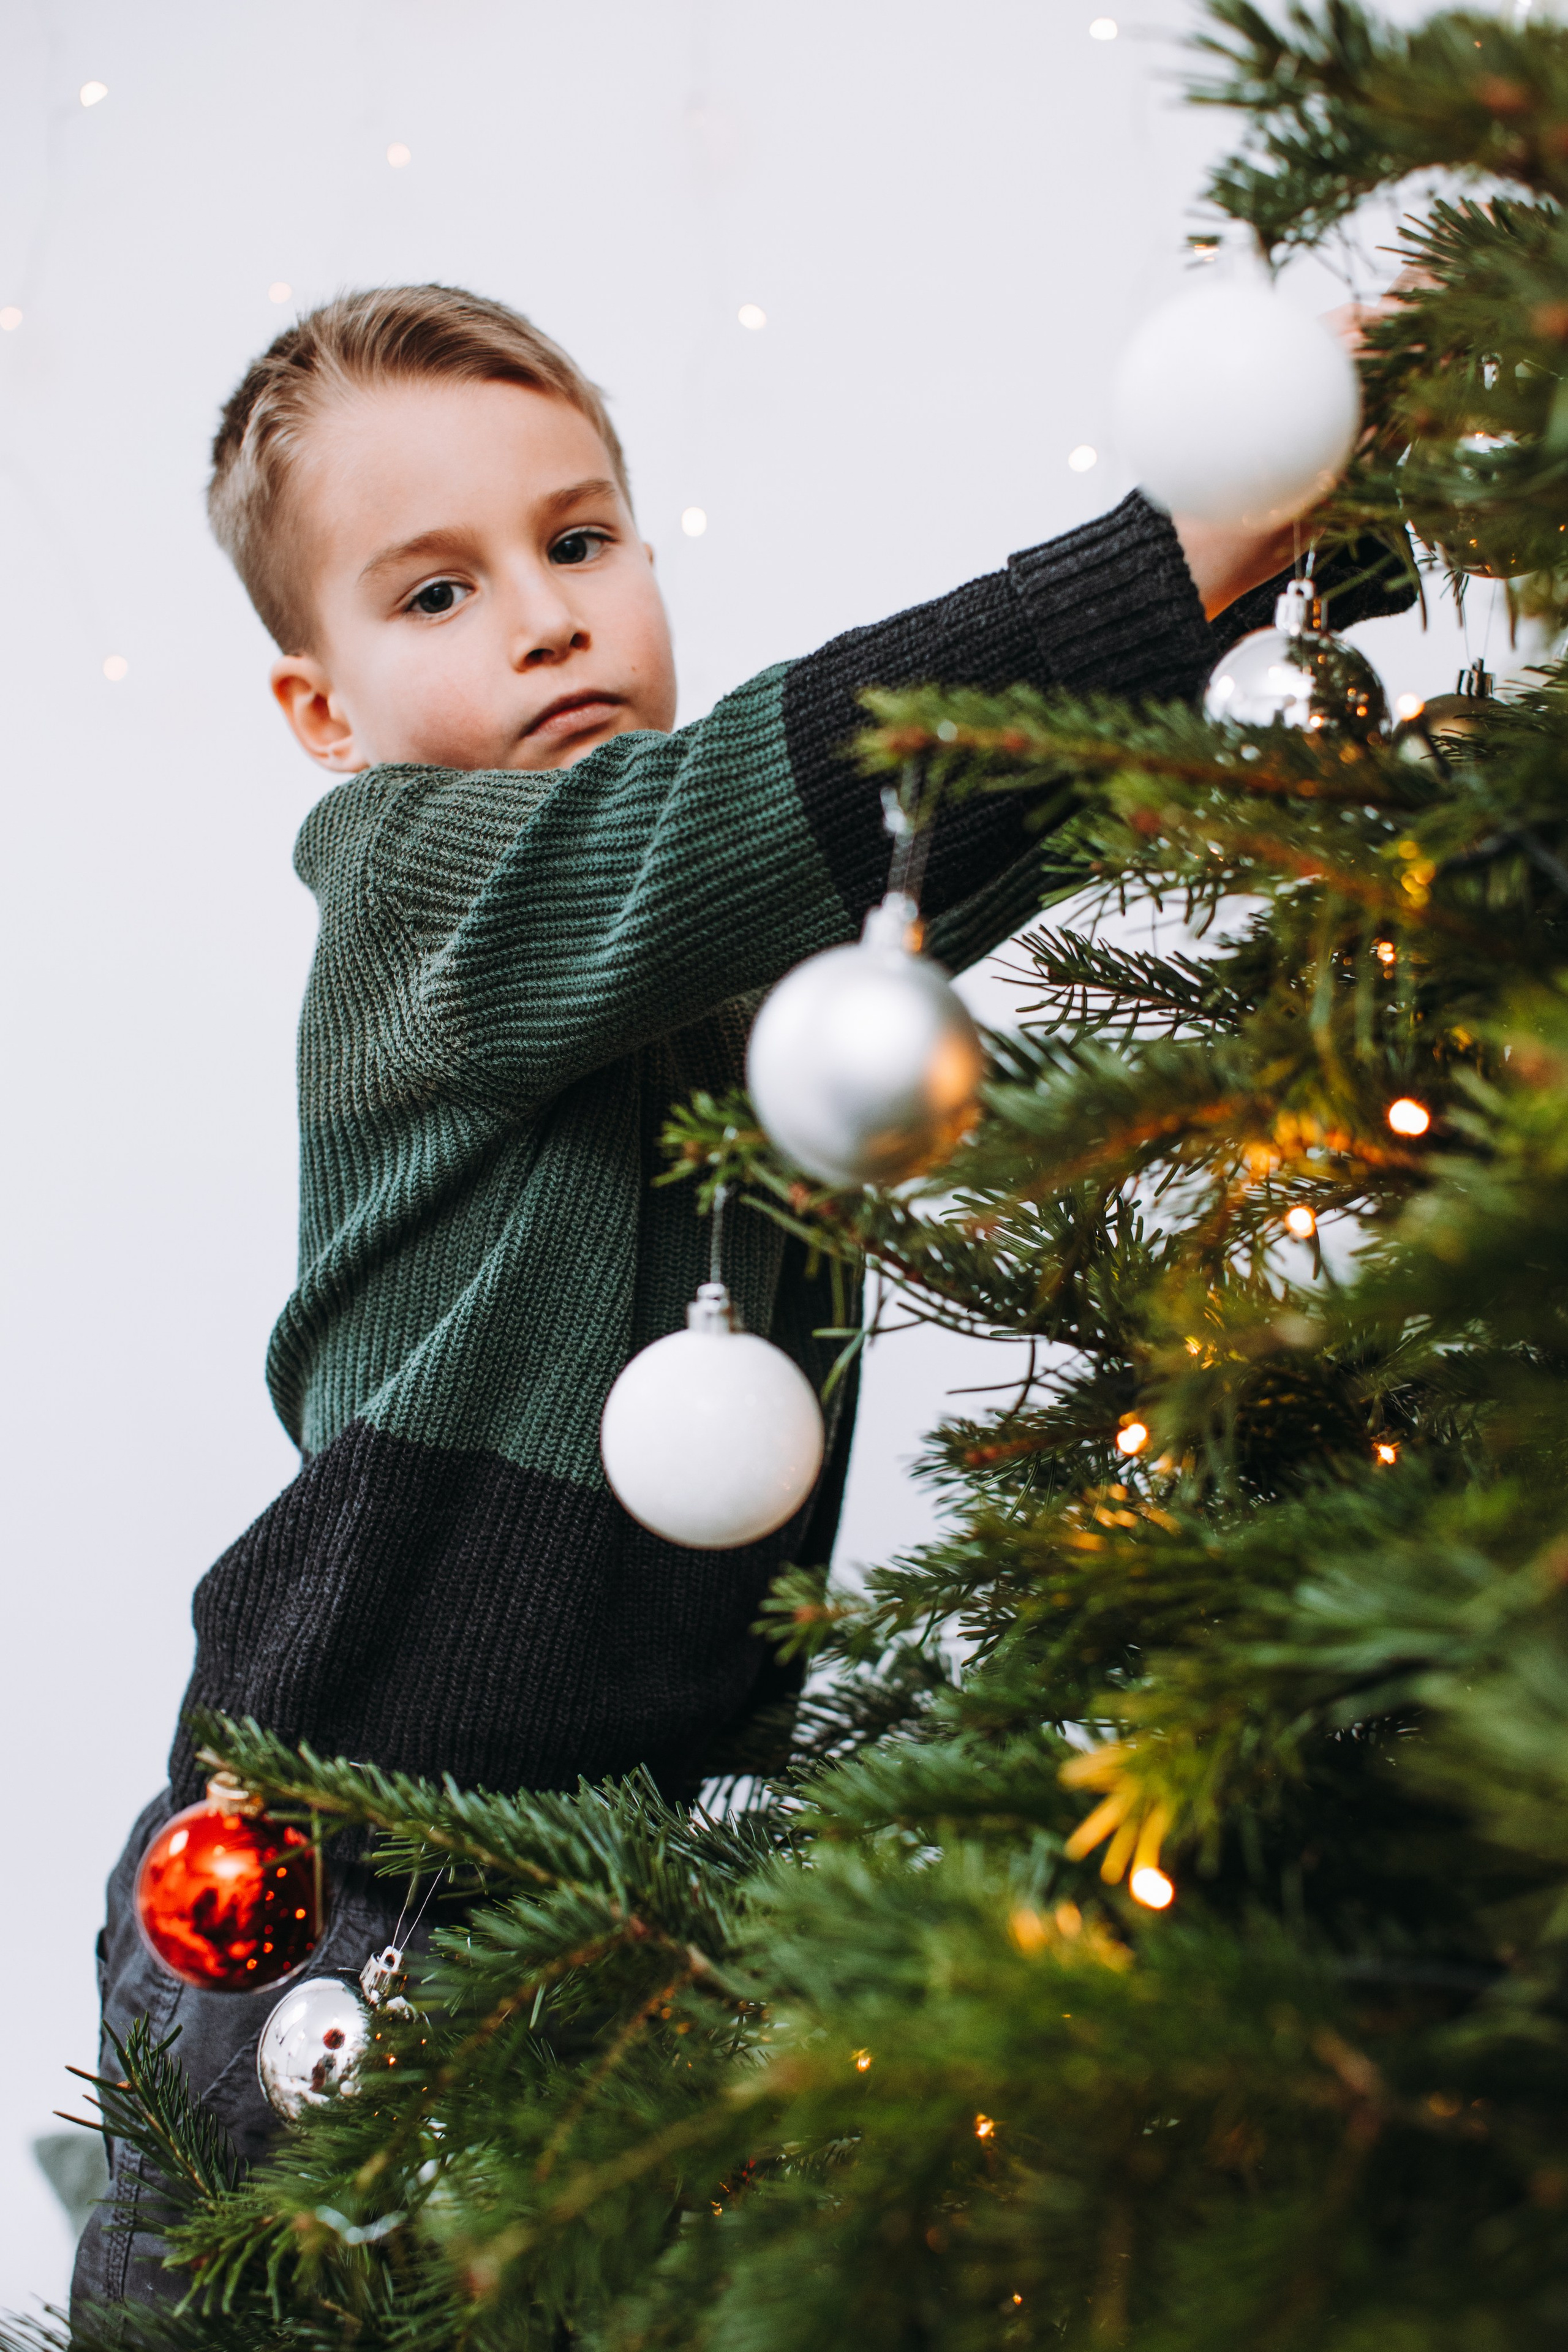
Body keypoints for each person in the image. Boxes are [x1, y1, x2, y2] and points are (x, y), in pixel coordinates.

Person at [72, 282, 1412, 2318]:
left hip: (616, 1884)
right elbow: (777, 799)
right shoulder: (420, 894)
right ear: (322, 715)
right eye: (435, 595)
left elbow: (959, 814)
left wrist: (1300, 514)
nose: (543, 616)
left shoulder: (723, 955)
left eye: (580, 541)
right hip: (328, 1890)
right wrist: (1188, 531)